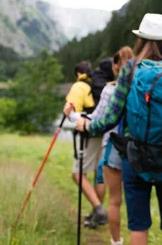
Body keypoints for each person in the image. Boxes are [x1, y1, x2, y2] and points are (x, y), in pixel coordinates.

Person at [76, 13, 162, 245]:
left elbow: (110, 117)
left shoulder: (131, 68)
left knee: (138, 226)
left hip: (137, 158)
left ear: (141, 39)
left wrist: (87, 125)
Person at [90, 46, 135, 243]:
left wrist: (83, 122)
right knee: (135, 203)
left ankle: (116, 241)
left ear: (116, 65)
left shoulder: (111, 89)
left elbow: (102, 119)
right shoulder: (139, 83)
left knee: (114, 201)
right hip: (137, 147)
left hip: (113, 147)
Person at [63, 61, 108, 228]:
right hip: (104, 131)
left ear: (77, 73)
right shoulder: (102, 83)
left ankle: (99, 209)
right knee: (99, 174)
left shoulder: (78, 87)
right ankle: (97, 213)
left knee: (78, 174)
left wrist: (68, 111)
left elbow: (72, 112)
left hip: (88, 133)